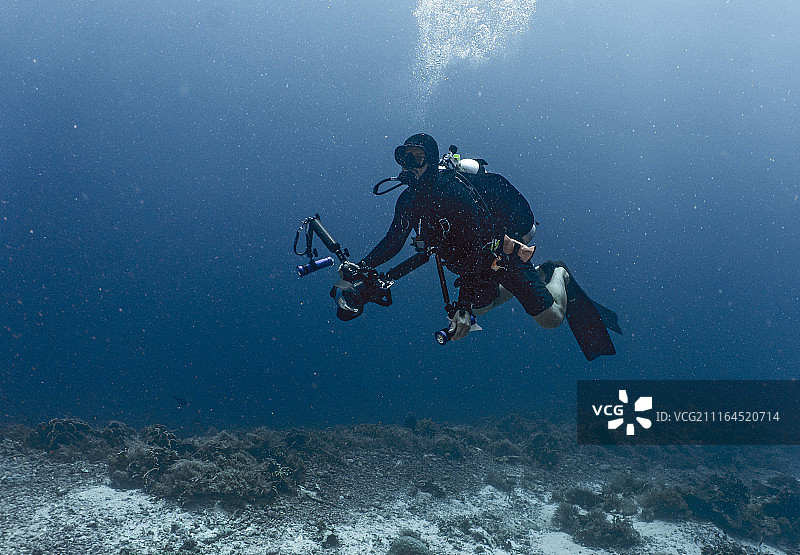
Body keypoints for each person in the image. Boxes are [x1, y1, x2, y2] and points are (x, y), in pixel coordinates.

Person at [343, 133, 572, 342]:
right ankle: (535, 275)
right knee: (481, 307)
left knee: (550, 319)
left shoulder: (453, 192)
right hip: (470, 262)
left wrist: (462, 306)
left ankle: (555, 271)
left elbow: (475, 246)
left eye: (418, 158)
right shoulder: (407, 200)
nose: (410, 165)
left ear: (431, 161)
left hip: (496, 250)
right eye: (405, 157)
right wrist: (362, 265)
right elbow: (394, 240)